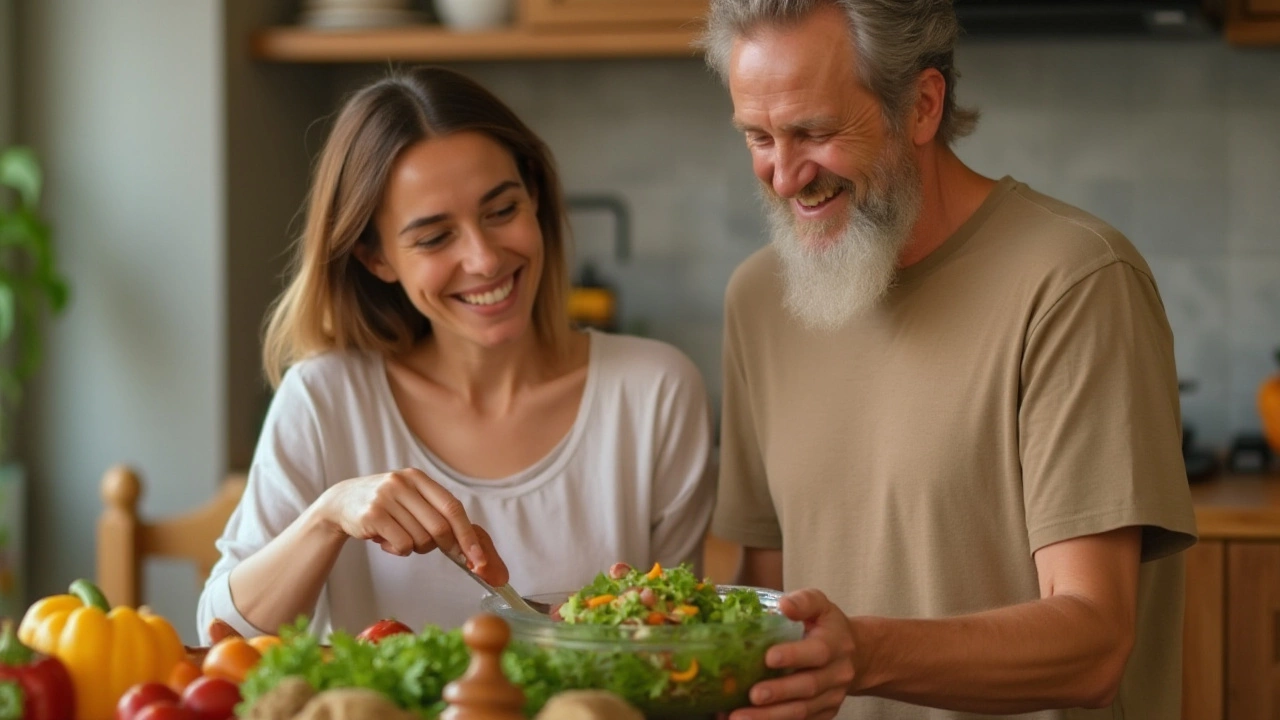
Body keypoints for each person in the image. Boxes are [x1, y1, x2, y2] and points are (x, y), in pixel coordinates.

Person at [699, 2, 1198, 719]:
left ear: (923, 105)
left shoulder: (1074, 281)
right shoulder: (759, 300)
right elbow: (771, 605)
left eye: (814, 132)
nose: (782, 175)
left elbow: (1094, 640)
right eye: (758, 137)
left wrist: (862, 654)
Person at [196, 67, 715, 643]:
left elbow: (682, 645)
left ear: (535, 198)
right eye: (435, 237)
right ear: (377, 258)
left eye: (501, 211)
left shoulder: (654, 391)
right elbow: (223, 633)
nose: (485, 259)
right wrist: (329, 516)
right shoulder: (325, 398)